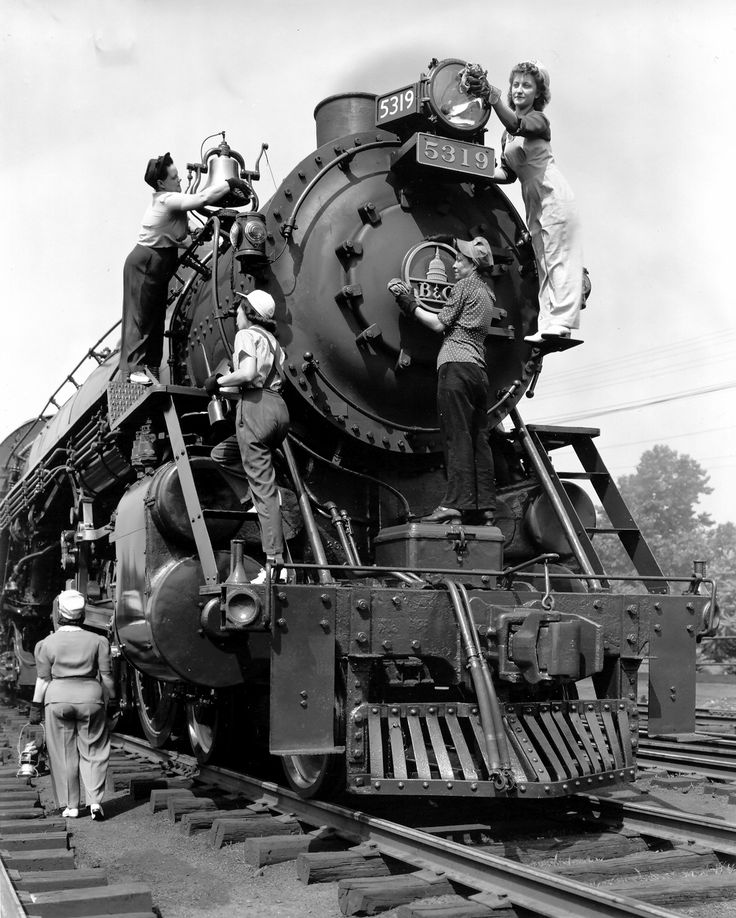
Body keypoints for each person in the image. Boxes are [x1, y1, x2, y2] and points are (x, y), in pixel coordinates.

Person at [466, 61, 583, 343]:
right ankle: (547, 324)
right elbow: (507, 173)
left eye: (526, 85)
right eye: (515, 84)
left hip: (550, 190)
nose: (519, 90)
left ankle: (563, 322)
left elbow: (516, 123)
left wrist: (492, 97)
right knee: (542, 260)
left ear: (537, 93)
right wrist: (473, 169)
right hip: (532, 197)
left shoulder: (538, 120)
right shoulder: (506, 137)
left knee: (558, 257)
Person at [388, 238, 497, 525]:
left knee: (456, 435)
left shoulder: (464, 286)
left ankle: (455, 505)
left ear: (472, 264)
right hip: (478, 369)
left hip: (455, 367)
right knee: (478, 439)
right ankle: (485, 506)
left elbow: (438, 324)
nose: (455, 264)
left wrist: (409, 303)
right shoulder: (488, 294)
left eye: (460, 260)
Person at [120, 152, 251, 385]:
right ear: (161, 183)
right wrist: (229, 183)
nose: (179, 181)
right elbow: (202, 199)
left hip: (158, 265)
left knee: (156, 317)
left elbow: (187, 229)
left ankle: (149, 365)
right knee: (140, 316)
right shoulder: (165, 200)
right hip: (144, 263)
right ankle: (132, 370)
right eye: (174, 177)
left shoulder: (173, 206)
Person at [207, 290, 290, 581]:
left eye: (238, 309)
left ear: (248, 310)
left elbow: (246, 373)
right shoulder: (274, 342)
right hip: (277, 408)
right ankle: (262, 497)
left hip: (255, 407)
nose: (235, 314)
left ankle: (274, 566)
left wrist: (217, 382)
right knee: (222, 455)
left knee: (263, 486)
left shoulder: (247, 336)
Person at [28, 590, 116, 820]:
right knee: (94, 751)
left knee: (63, 754)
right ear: (83, 615)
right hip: (91, 699)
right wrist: (113, 700)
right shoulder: (98, 641)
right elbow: (106, 677)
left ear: (59, 615)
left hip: (57, 700)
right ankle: (95, 802)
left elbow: (43, 679)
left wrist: (36, 706)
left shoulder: (46, 644)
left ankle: (72, 806)